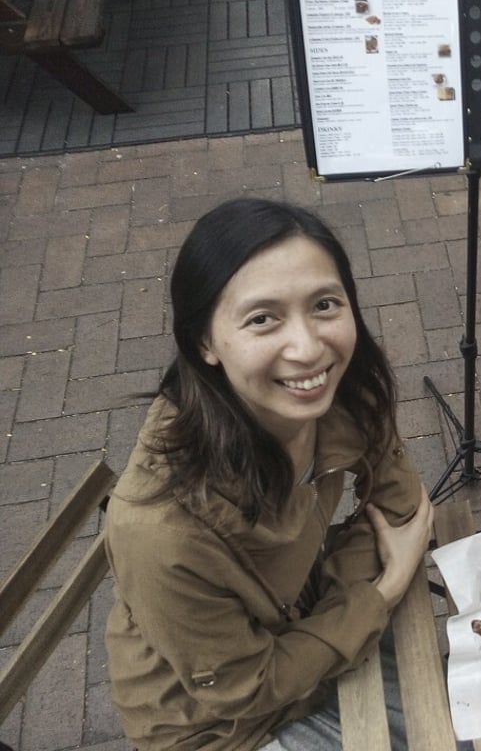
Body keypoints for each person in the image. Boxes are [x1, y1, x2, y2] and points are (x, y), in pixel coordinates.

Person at [104, 198, 434, 750]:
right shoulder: (161, 532)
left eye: (325, 305)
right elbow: (245, 688)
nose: (308, 350)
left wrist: (348, 599)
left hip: (307, 628)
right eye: (263, 319)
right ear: (205, 341)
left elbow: (401, 508)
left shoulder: (341, 391)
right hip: (228, 729)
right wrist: (383, 587)